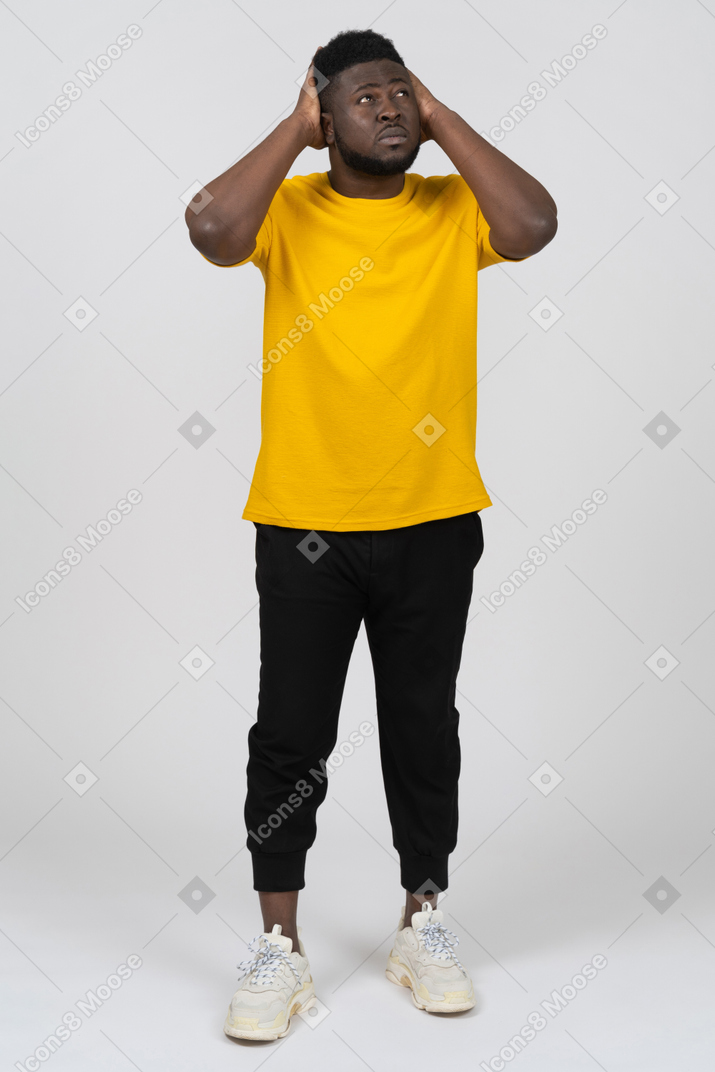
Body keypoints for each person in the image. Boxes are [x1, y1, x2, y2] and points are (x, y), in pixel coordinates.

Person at [184, 28, 557, 1041]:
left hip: (434, 518)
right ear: (322, 116)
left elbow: (534, 224)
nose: (389, 108)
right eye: (365, 98)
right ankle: (279, 946)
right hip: (306, 523)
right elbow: (211, 228)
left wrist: (443, 117)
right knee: (291, 736)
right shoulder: (288, 209)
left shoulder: (453, 209)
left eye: (402, 94)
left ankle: (420, 920)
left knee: (422, 730)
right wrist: (289, 131)